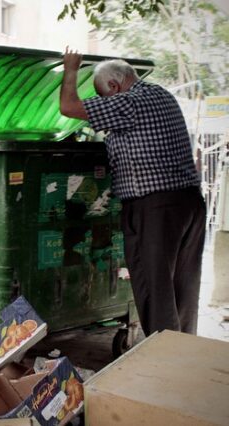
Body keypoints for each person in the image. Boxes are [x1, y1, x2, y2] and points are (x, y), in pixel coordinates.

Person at [59, 47, 206, 336]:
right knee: (183, 290)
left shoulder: (129, 102)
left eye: (103, 97)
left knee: (155, 289)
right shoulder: (160, 94)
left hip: (156, 207)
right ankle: (184, 356)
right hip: (188, 203)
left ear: (114, 86)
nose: (103, 105)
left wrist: (71, 69)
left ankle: (163, 360)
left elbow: (68, 107)